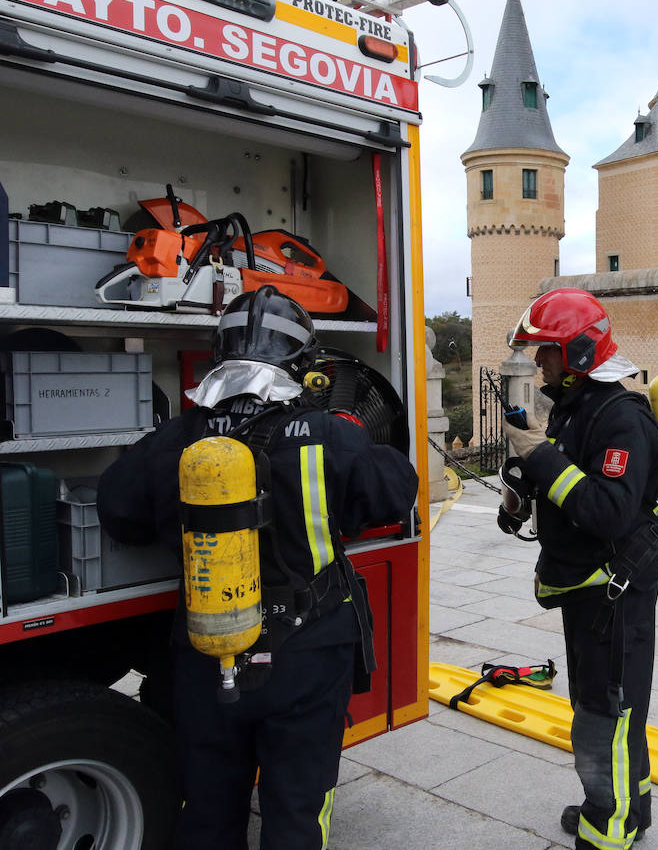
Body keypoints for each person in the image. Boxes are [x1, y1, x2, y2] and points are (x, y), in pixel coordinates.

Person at [97, 286, 418, 850]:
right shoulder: (329, 436)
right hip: (307, 653)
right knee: (297, 811)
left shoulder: (179, 437)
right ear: (302, 364)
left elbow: (119, 513)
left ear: (220, 357)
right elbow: (396, 494)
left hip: (208, 652)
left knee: (207, 811)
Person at [500, 288, 658, 850]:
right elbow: (574, 484)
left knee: (606, 711)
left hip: (613, 594)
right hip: (591, 592)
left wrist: (541, 457)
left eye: (545, 351)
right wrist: (525, 487)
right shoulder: (578, 409)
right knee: (610, 706)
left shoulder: (621, 419)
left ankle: (607, 829)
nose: (537, 361)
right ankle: (625, 804)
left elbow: (608, 510)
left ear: (577, 353)